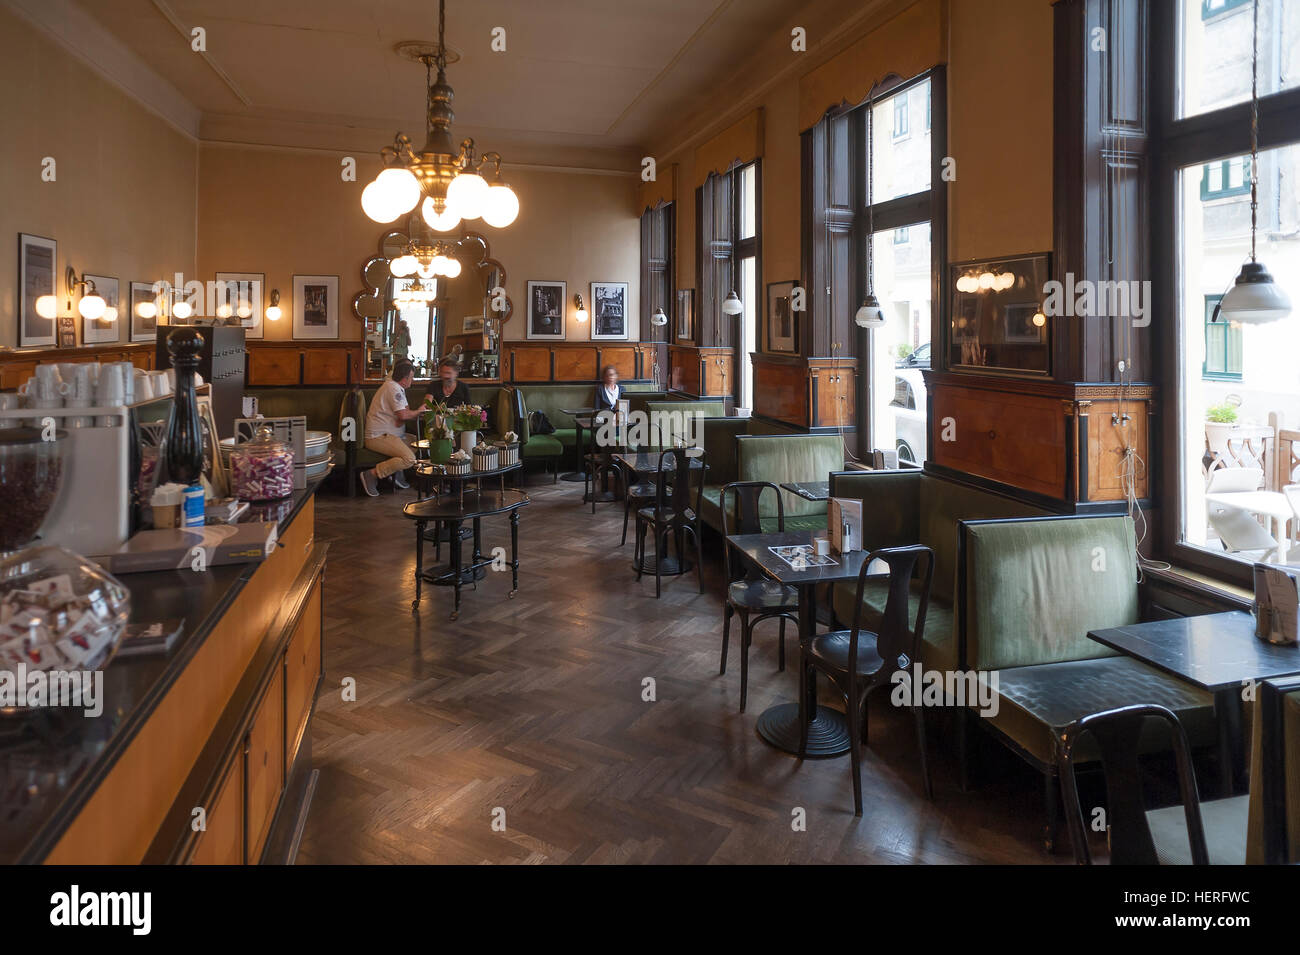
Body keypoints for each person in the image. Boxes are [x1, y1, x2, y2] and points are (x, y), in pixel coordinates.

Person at [359, 359, 429, 497]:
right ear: (404, 378)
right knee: (409, 459)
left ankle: (396, 473)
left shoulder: (397, 387)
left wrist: (412, 414)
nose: (412, 380)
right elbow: (403, 415)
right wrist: (418, 412)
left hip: (391, 434)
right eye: (411, 377)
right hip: (378, 436)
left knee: (417, 442)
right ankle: (372, 474)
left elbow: (405, 413)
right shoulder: (392, 388)